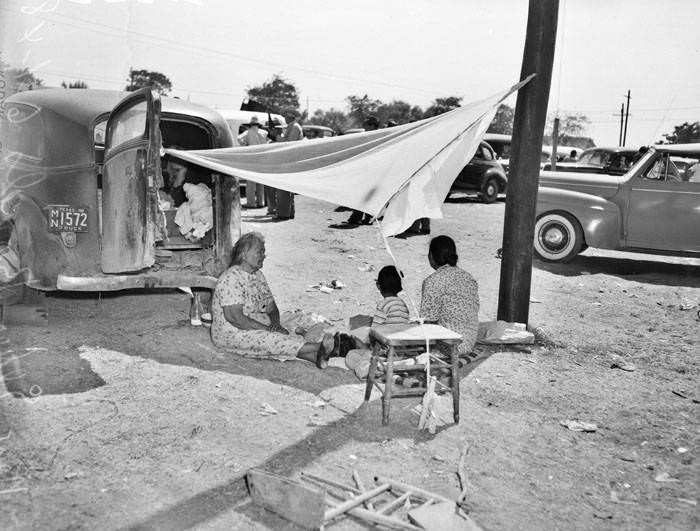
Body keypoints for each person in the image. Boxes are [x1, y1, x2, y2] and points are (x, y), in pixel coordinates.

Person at [210, 232, 341, 368]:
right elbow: (235, 318)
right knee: (270, 339)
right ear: (243, 254)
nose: (263, 256)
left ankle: (315, 357)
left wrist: (275, 323)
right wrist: (268, 330)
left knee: (294, 321)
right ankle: (320, 347)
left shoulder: (258, 275)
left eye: (264, 252)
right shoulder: (231, 278)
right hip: (231, 332)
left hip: (256, 321)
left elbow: (272, 307)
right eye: (259, 252)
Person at [345, 265, 410, 379]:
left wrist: (365, 345)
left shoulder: (383, 305)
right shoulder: (403, 305)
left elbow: (375, 332)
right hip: (400, 352)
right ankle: (392, 369)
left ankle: (378, 369)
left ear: (378, 286)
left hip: (384, 351)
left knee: (351, 356)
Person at [420, 235, 479, 355]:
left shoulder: (432, 281)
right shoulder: (468, 278)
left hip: (449, 345)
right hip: (469, 341)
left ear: (431, 256)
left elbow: (428, 321)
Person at [345, 116, 380, 226]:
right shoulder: (368, 135)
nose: (365, 127)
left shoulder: (378, 136)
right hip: (366, 168)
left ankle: (359, 217)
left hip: (373, 169)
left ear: (373, 126)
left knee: (365, 194)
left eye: (367, 125)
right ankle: (362, 217)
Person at [237, 117, 268, 208]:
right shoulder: (264, 133)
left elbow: (239, 139)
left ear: (251, 124)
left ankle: (251, 203)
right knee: (260, 182)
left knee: (250, 183)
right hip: (262, 159)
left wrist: (245, 145)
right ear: (258, 124)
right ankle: (260, 202)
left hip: (252, 158)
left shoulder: (248, 132)